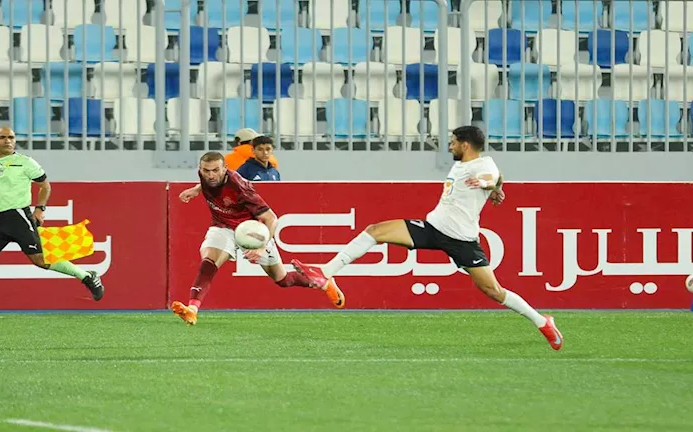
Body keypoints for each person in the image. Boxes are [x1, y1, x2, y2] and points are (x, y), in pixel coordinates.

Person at [291, 126, 564, 351]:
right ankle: (326, 272)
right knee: (375, 231)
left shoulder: (483, 165)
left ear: (466, 144)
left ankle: (542, 322)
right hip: (433, 228)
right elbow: (499, 178)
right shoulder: (463, 164)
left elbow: (492, 175)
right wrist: (498, 189)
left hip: (461, 240)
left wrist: (489, 185)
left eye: (453, 142)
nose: (450, 146)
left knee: (493, 291)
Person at [0, 127, 104, 322]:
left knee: (41, 260)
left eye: (11, 137)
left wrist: (40, 209)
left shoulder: (26, 162)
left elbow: (45, 185)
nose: (8, 141)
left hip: (18, 217)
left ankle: (86, 276)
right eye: (2, 137)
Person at [172, 152, 343, 325]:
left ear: (225, 169)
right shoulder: (205, 175)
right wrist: (196, 189)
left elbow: (271, 218)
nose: (210, 175)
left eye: (215, 170)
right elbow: (208, 182)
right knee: (208, 262)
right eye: (206, 171)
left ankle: (323, 281)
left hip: (251, 231)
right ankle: (192, 309)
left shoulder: (240, 187)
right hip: (223, 227)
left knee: (282, 279)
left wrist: (261, 246)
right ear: (200, 169)